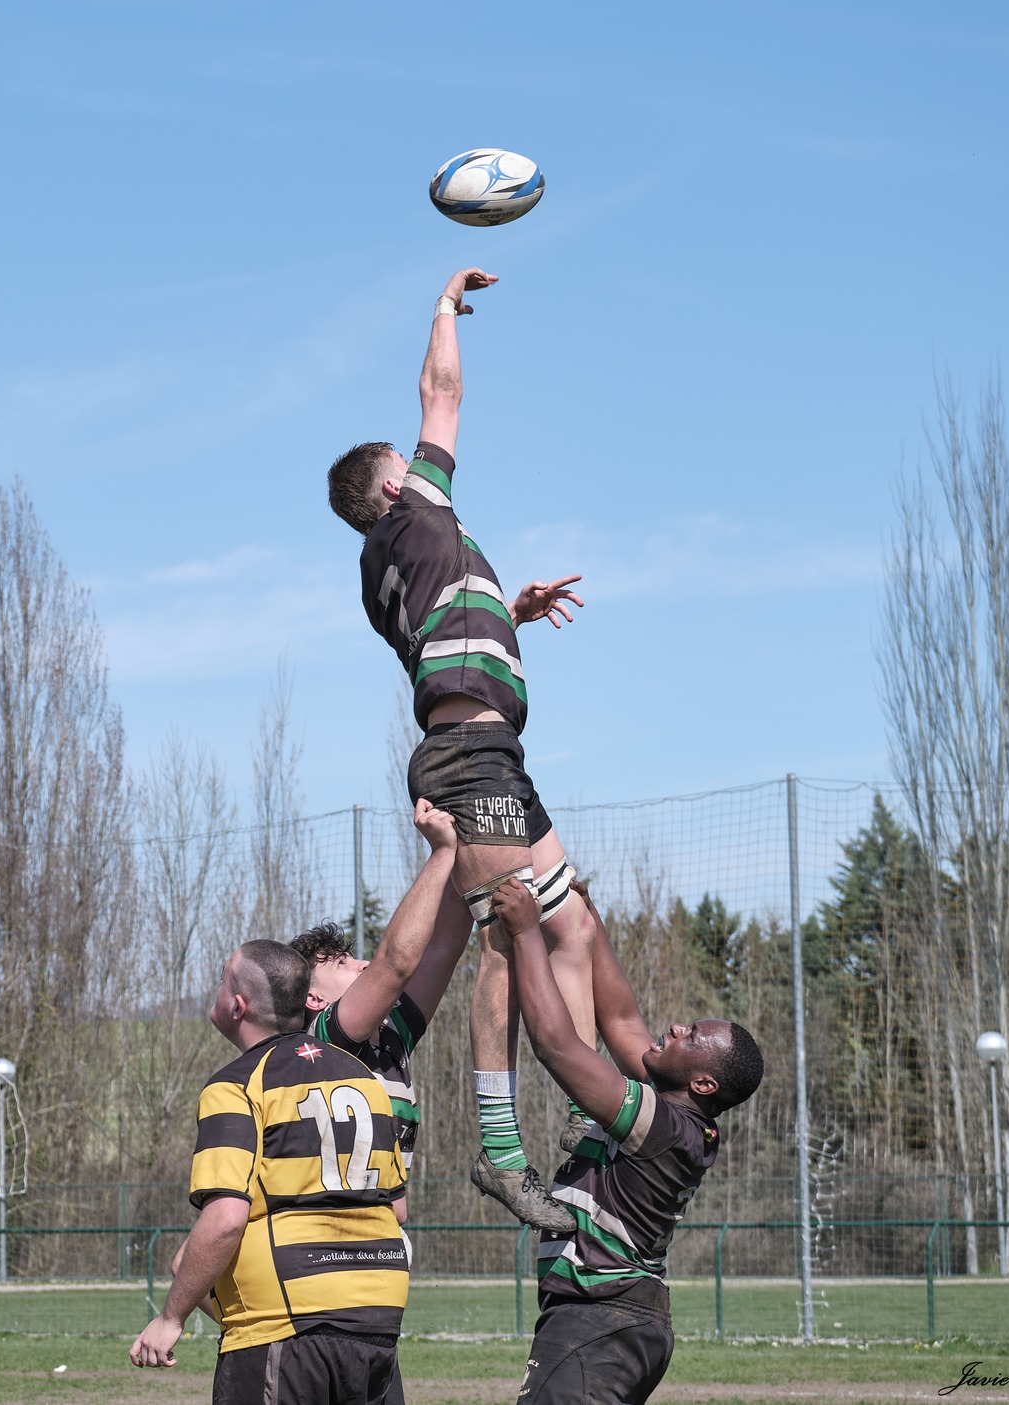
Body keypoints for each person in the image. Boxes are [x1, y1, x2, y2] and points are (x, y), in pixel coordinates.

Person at [323, 267, 599, 1231]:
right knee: (512, 925)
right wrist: (443, 308)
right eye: (414, 460)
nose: (429, 458)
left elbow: (446, 630)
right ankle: (502, 1150)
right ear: (394, 484)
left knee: (574, 927)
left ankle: (587, 1114)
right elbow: (443, 391)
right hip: (469, 756)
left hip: (493, 754)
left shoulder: (392, 559)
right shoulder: (413, 512)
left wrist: (504, 609)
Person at [487, 877, 764, 1405]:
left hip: (599, 1318)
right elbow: (618, 1017)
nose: (678, 1026)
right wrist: (588, 922)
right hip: (624, 1321)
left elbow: (557, 1046)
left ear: (703, 1084)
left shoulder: (662, 1126)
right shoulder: (685, 1120)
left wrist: (525, 933)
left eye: (692, 1035)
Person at [131, 941, 408, 1405]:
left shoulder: (235, 1085)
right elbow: (396, 1209)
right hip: (377, 1321)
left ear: (237, 1004)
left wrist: (170, 1318)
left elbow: (226, 1218)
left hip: (285, 1329)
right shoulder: (363, 1078)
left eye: (223, 980)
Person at [291, 799, 469, 1219]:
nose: (363, 964)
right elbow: (396, 962)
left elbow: (442, 948)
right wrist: (441, 854)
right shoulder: (326, 1041)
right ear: (314, 1000)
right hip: (332, 1240)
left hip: (381, 1236)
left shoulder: (391, 1037)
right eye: (341, 964)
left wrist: (468, 847)